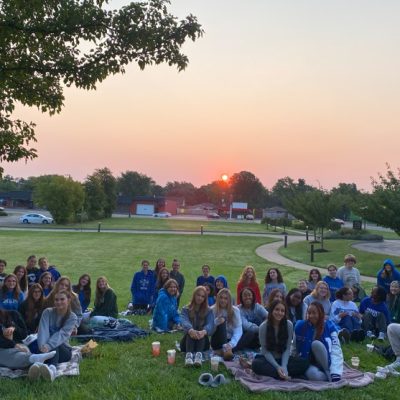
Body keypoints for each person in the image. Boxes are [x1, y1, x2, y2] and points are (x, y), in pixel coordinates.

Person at [251, 300, 309, 379]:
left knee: (305, 363)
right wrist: (277, 367)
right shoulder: (263, 327)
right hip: (269, 359)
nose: (279, 313)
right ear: (271, 310)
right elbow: (265, 351)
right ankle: (285, 375)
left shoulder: (289, 325)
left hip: (284, 358)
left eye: (282, 311)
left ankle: (281, 374)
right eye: (277, 309)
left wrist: (284, 366)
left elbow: (287, 348)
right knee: (255, 365)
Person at [294, 302, 344, 382]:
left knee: (316, 344)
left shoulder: (329, 326)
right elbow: (294, 347)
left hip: (325, 362)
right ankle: (318, 376)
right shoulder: (300, 325)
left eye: (314, 313)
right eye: (309, 313)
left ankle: (328, 373)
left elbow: (336, 349)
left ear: (320, 313)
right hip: (307, 362)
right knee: (314, 375)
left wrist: (335, 372)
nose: (311, 316)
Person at [0, 308, 57, 377]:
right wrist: (12, 344)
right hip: (5, 348)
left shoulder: (13, 314)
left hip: (20, 346)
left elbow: (24, 334)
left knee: (23, 352)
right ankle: (35, 361)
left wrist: (14, 327)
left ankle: (35, 364)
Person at [37, 290, 78, 380]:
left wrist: (48, 346)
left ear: (68, 300)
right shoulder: (47, 312)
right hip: (44, 349)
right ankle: (42, 367)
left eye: (62, 299)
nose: (58, 302)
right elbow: (42, 330)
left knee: (55, 346)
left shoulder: (72, 317)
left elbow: (62, 335)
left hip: (64, 351)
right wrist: (42, 347)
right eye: (56, 300)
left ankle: (52, 370)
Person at [180, 286, 213, 366]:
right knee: (190, 331)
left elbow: (211, 324)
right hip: (187, 342)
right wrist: (191, 330)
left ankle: (199, 356)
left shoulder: (209, 311)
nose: (200, 298)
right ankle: (188, 356)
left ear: (205, 298)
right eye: (198, 295)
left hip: (203, 343)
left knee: (200, 331)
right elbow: (184, 321)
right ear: (194, 295)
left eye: (202, 296)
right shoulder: (186, 309)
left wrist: (204, 331)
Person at [210, 288, 242, 361]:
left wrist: (231, 344)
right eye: (221, 298)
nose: (223, 300)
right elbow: (209, 331)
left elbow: (238, 330)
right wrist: (216, 322)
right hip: (218, 340)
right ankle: (225, 352)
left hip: (231, 340)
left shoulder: (235, 310)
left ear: (229, 300)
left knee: (249, 334)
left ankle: (223, 351)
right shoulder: (212, 309)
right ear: (217, 298)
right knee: (222, 322)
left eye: (225, 298)